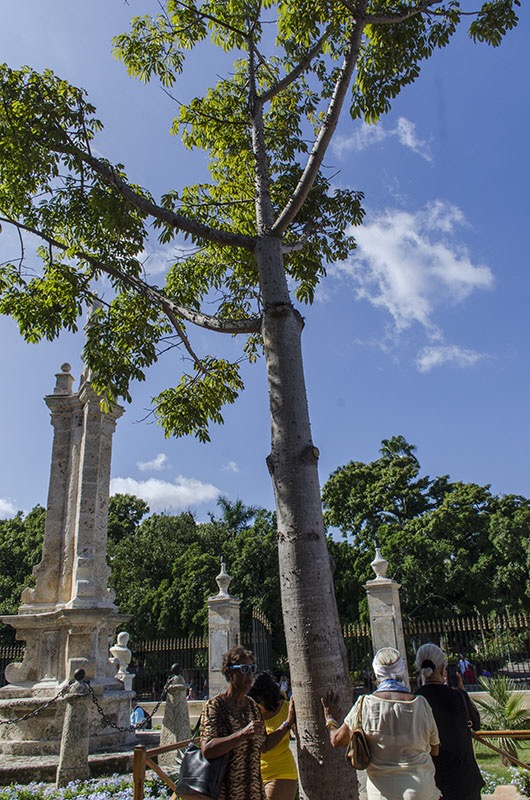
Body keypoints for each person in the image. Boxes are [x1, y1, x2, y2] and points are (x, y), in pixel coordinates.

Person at [322, 647, 440, 800]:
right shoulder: (421, 704)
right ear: (402, 671)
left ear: (376, 673)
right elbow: (435, 749)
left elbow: (337, 740)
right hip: (421, 791)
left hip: (382, 794)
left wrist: (330, 719)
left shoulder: (365, 704)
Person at [199, 646, 295, 800]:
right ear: (230, 672)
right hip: (226, 792)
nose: (250, 674)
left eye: (252, 668)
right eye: (244, 669)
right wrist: (242, 734)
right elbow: (208, 749)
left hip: (254, 792)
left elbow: (264, 745)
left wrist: (288, 723)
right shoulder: (215, 706)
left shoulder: (251, 706)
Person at [416, 643, 484, 800]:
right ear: (442, 669)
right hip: (465, 780)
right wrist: (462, 691)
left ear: (419, 668)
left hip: (433, 781)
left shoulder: (415, 701)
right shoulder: (457, 696)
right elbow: (476, 724)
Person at [248, 672, 298, 800]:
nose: (256, 704)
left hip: (281, 772)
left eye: (258, 700)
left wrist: (289, 723)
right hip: (254, 776)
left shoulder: (287, 710)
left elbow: (265, 746)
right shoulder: (252, 712)